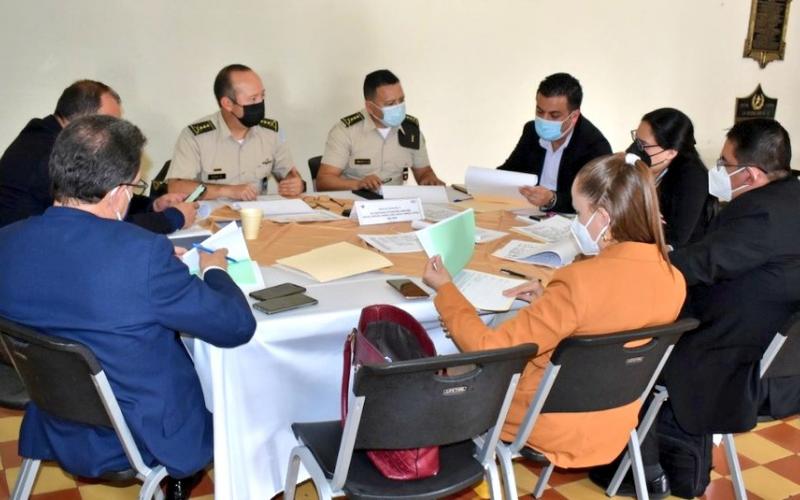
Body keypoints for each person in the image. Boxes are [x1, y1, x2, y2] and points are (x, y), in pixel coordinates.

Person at [0, 115, 256, 500]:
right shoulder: (142, 255)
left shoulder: (8, 240)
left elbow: (77, 275)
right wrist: (216, 270)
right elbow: (237, 326)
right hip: (138, 433)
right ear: (117, 192)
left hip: (53, 416)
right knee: (239, 387)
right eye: (136, 185)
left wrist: (152, 262)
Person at [423, 153, 685, 469]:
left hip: (546, 422)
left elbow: (488, 349)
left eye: (579, 212)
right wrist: (550, 301)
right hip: (616, 422)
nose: (576, 223)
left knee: (446, 368)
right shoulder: (673, 278)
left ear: (602, 217)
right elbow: (610, 320)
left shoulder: (580, 281)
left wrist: (446, 291)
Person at [645, 118, 800, 496]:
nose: (719, 171)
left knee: (633, 347)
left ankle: (646, 467)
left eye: (726, 165)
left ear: (750, 175)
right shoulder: (790, 196)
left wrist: (644, 259)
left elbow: (703, 264)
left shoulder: (759, 213)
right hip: (773, 347)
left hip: (727, 351)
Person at [0, 80, 196, 233]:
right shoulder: (49, 155)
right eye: (107, 124)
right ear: (84, 121)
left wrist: (153, 206)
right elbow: (98, 225)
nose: (113, 134)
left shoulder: (51, 138)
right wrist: (171, 219)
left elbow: (102, 198)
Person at [166, 64, 305, 200]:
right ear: (227, 104)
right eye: (253, 99)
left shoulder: (271, 132)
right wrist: (225, 191)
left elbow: (289, 175)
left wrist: (296, 184)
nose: (260, 102)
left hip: (257, 217)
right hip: (209, 218)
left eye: (262, 96)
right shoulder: (195, 137)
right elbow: (176, 187)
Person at [498, 72, 611, 213]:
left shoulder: (595, 146)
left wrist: (552, 199)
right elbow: (510, 171)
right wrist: (485, 182)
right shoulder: (531, 131)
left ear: (574, 116)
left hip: (570, 222)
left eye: (554, 115)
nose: (544, 120)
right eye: (539, 111)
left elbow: (594, 200)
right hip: (528, 214)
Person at [316, 69, 444, 191]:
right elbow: (324, 181)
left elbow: (424, 172)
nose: (398, 107)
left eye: (401, 100)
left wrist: (430, 180)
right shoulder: (345, 131)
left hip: (397, 205)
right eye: (390, 104)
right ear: (370, 107)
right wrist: (358, 184)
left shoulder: (411, 130)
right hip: (356, 204)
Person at [626, 108, 716, 248]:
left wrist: (642, 219)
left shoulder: (692, 179)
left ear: (671, 153)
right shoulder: (640, 167)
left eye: (643, 145)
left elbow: (675, 240)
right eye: (635, 139)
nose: (633, 149)